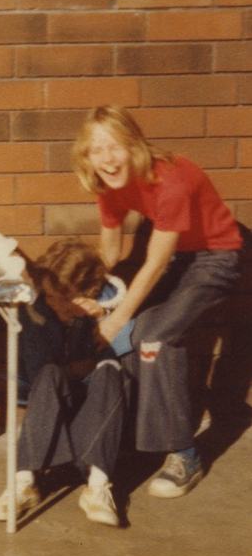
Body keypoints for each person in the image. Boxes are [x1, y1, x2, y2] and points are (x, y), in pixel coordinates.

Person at [72, 105, 241, 499]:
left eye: (114, 146)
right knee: (136, 331)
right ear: (86, 156)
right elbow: (110, 249)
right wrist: (90, 290)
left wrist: (116, 319)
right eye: (96, 149)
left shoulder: (172, 179)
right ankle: (137, 434)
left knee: (155, 336)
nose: (107, 158)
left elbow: (156, 263)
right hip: (176, 255)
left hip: (215, 257)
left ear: (135, 146)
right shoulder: (108, 184)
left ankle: (185, 454)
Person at [0, 237, 133, 527]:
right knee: (51, 373)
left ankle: (98, 486)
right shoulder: (38, 311)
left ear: (87, 294)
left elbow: (128, 355)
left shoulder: (110, 304)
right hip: (50, 420)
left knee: (109, 371)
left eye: (62, 298)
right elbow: (38, 373)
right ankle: (24, 482)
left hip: (97, 422)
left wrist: (103, 318)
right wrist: (74, 367)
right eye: (50, 295)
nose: (54, 303)